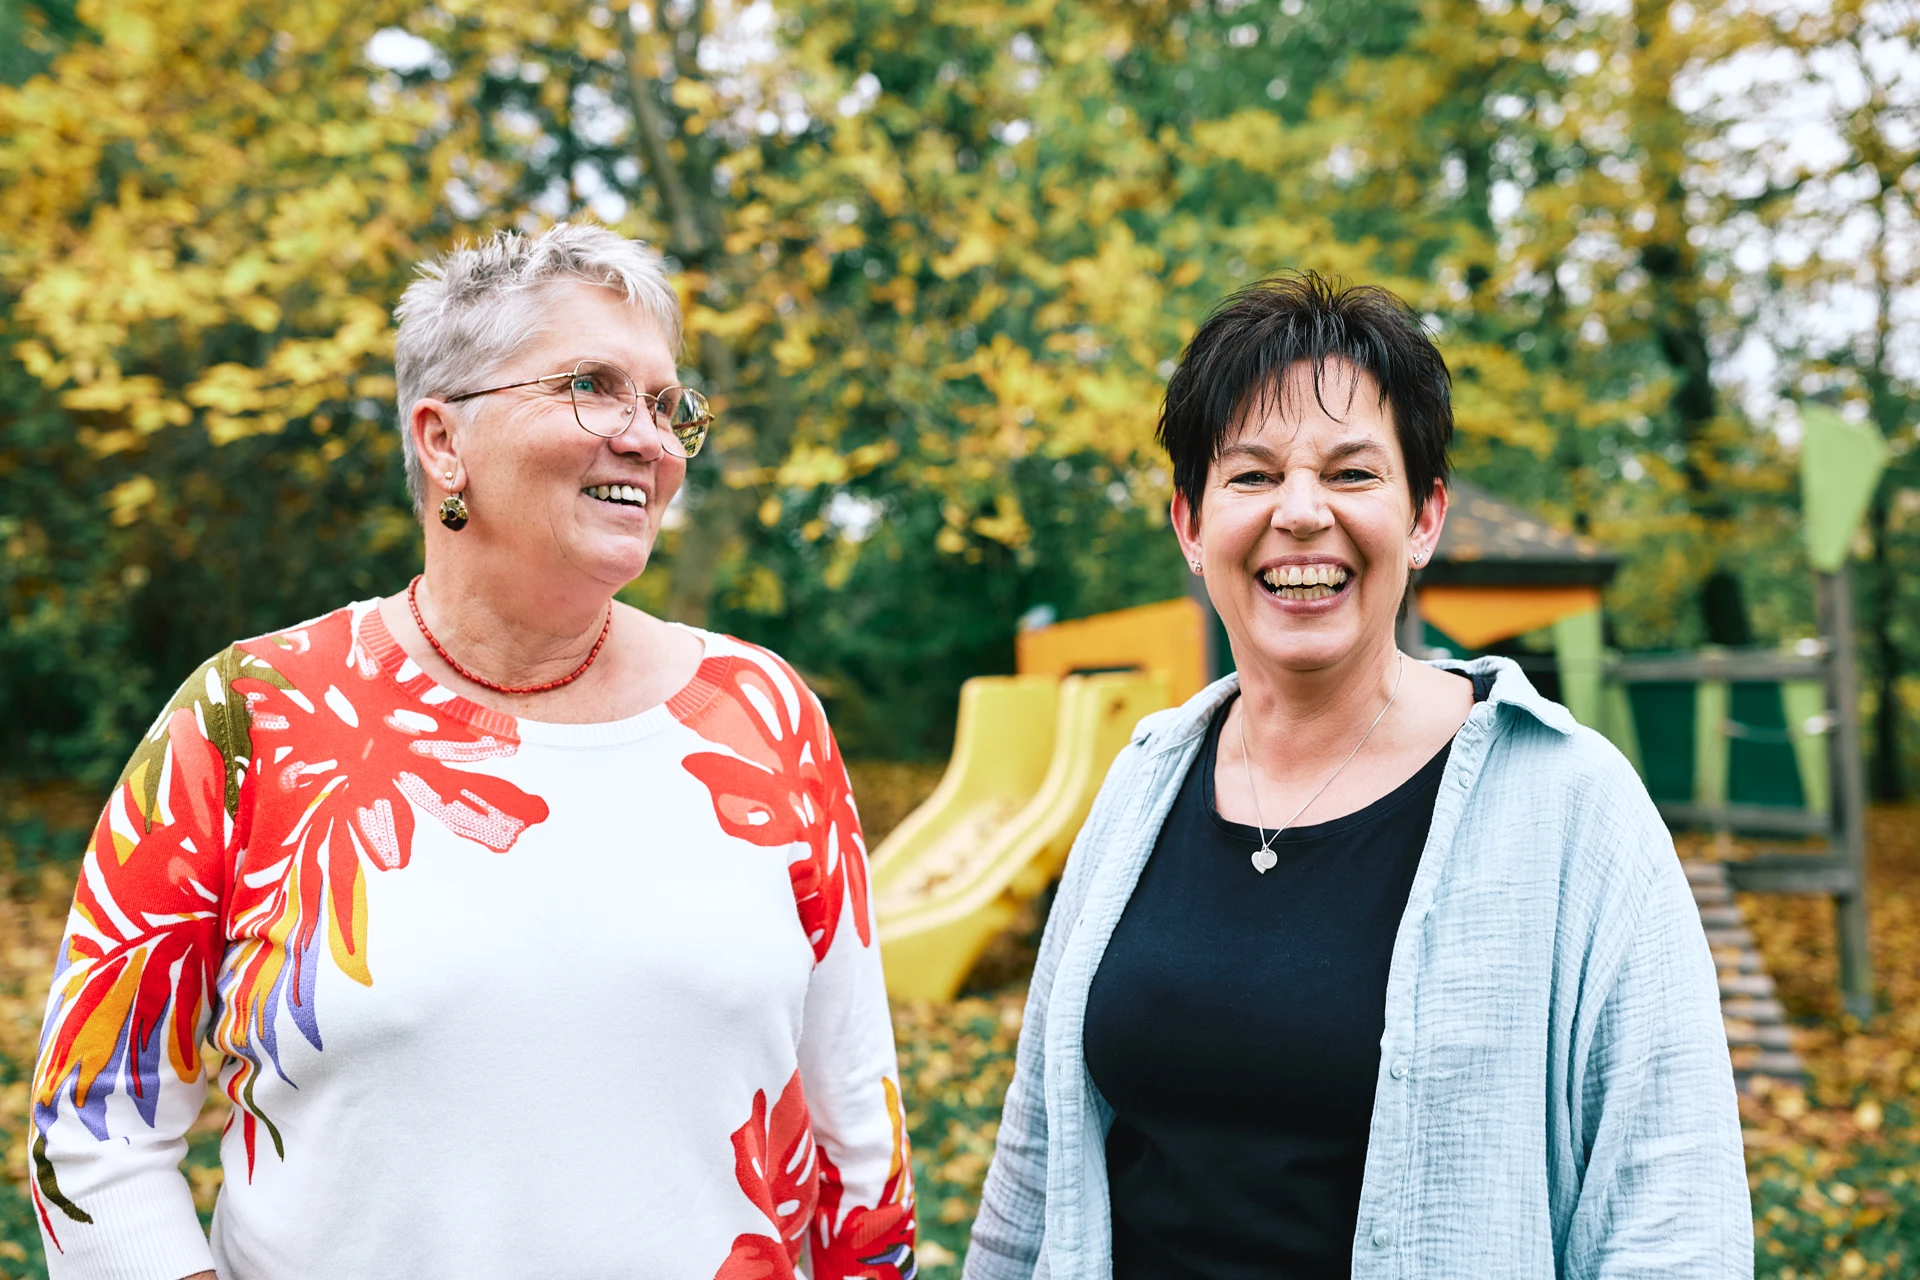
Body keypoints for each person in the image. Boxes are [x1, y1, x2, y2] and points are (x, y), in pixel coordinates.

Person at [29, 223, 916, 1280]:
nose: (648, 438)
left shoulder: (767, 713)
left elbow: (856, 1121)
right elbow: (95, 1126)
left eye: (668, 403)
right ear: (443, 440)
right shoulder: (248, 717)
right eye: (592, 385)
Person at [964, 274, 1752, 1280]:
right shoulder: (1140, 786)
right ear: (1190, 524)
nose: (1301, 513)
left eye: (1351, 472)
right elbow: (1032, 1166)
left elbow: (1674, 1218)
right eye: (1251, 475)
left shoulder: (1572, 805)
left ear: (1424, 517)